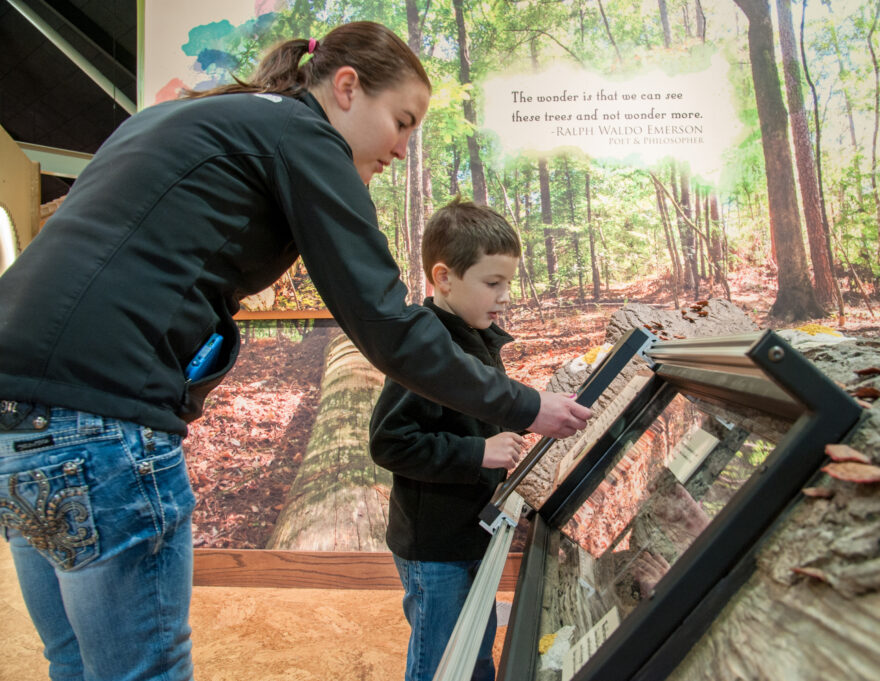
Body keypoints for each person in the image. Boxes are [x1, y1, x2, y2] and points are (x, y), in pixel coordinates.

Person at [0, 22, 589, 681]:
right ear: (346, 89)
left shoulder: (207, 116)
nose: (400, 150)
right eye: (400, 121)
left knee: (75, 661)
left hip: (18, 415)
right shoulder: (302, 134)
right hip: (103, 419)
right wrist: (527, 406)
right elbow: (384, 319)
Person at [369, 199, 527, 681]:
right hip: (434, 546)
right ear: (443, 278)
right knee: (441, 664)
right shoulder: (429, 349)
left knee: (475, 650)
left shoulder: (476, 336)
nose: (503, 297)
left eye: (508, 284)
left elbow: (474, 418)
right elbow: (390, 442)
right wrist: (481, 452)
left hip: (471, 531)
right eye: (492, 284)